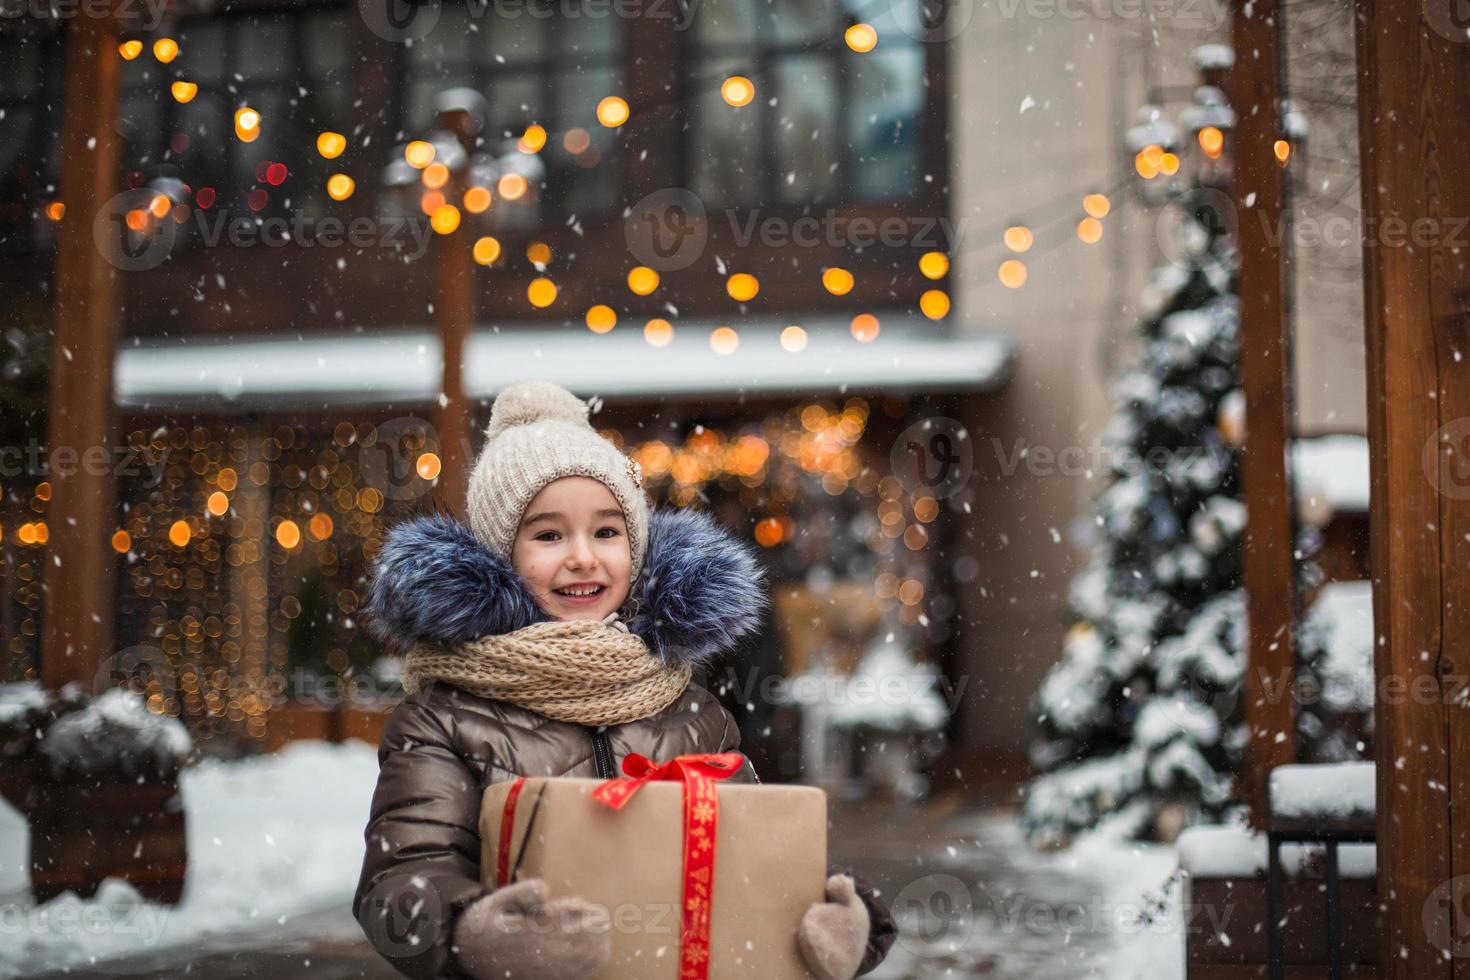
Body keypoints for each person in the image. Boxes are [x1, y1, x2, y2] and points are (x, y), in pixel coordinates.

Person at [352, 379, 896, 979]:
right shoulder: (445, 718)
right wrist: (474, 934)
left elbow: (754, 859)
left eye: (607, 532)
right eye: (549, 534)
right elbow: (400, 880)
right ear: (501, 557)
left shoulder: (691, 713)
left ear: (634, 551)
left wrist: (843, 923)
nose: (583, 557)